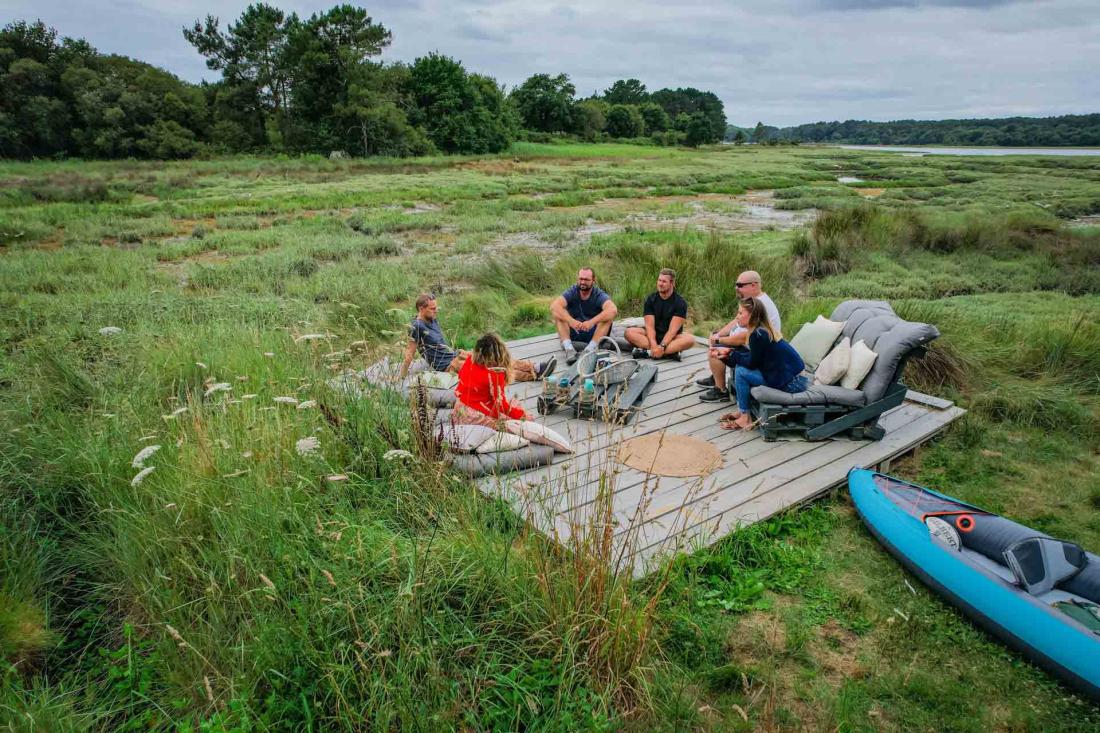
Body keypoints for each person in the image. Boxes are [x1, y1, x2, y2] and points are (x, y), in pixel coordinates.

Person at [401, 293, 555, 381]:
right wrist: (401, 377)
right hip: (448, 366)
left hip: (456, 354)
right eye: (432, 309)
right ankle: (532, 376)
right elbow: (409, 354)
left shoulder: (432, 318)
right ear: (421, 309)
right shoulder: (417, 327)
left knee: (493, 357)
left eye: (436, 307)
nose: (436, 311)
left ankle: (534, 367)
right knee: (490, 369)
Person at [721, 297, 808, 430]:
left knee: (741, 372)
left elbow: (751, 363)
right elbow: (753, 359)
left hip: (793, 383)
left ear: (752, 315)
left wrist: (731, 354)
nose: (737, 316)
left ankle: (745, 417)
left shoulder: (758, 335)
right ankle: (742, 411)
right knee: (740, 367)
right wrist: (726, 356)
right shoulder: (760, 330)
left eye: (740, 313)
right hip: (791, 377)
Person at [699, 270, 782, 402]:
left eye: (740, 285)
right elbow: (736, 320)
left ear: (754, 285)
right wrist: (719, 333)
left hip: (752, 348)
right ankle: (716, 376)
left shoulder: (761, 305)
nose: (736, 288)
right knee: (716, 340)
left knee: (716, 348)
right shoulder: (752, 301)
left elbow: (746, 336)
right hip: (744, 343)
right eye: (736, 285)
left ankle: (720, 390)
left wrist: (719, 340)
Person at [452, 332, 530, 427]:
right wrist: (523, 416)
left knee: (512, 406)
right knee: (516, 417)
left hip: (459, 413)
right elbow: (501, 406)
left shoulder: (469, 361)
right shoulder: (495, 373)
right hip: (476, 418)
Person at [550, 267, 618, 365]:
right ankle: (569, 350)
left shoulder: (599, 294)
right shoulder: (572, 291)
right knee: (559, 314)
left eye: (586, 280)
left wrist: (591, 322)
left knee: (608, 318)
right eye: (580, 279)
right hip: (575, 331)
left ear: (593, 280)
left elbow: (613, 310)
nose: (582, 282)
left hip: (593, 333)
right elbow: (554, 306)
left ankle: (589, 350)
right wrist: (571, 321)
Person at [625, 268, 694, 361]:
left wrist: (662, 346)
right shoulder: (650, 299)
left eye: (664, 281)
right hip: (652, 336)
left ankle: (649, 353)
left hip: (671, 339)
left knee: (690, 340)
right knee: (629, 332)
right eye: (659, 280)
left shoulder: (680, 303)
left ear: (672, 283)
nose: (660, 284)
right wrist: (654, 344)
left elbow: (672, 331)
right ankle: (670, 353)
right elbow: (650, 327)